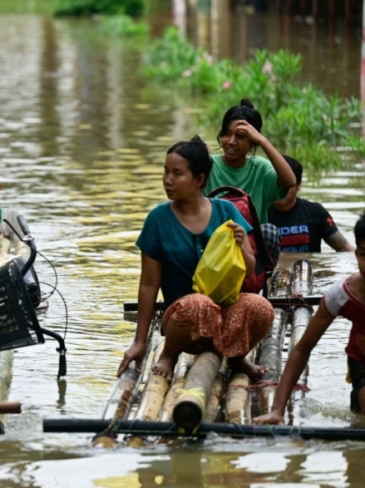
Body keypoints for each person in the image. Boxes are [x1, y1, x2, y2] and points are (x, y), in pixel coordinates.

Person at [117, 136, 275, 381]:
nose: (167, 180)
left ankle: (235, 358)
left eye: (177, 174)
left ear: (199, 179)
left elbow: (250, 270)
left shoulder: (226, 211)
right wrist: (139, 342)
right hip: (184, 321)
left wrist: (243, 244)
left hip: (225, 315)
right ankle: (169, 355)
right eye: (166, 172)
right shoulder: (157, 219)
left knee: (261, 307)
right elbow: (149, 284)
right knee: (199, 304)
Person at [255, 214, 365, 425]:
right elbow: (302, 349)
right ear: (356, 254)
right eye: (364, 255)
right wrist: (277, 410)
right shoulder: (340, 296)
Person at [205, 98, 297, 225]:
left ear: (252, 142)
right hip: (214, 240)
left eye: (240, 136)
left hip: (251, 242)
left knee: (270, 232)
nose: (231, 141)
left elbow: (290, 181)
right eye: (226, 134)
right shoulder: (208, 164)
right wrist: (194, 158)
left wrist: (263, 141)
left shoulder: (260, 168)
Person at [268, 155, 356, 253]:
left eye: (286, 184)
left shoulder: (315, 212)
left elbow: (344, 248)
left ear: (298, 185)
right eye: (276, 184)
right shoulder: (258, 213)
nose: (280, 190)